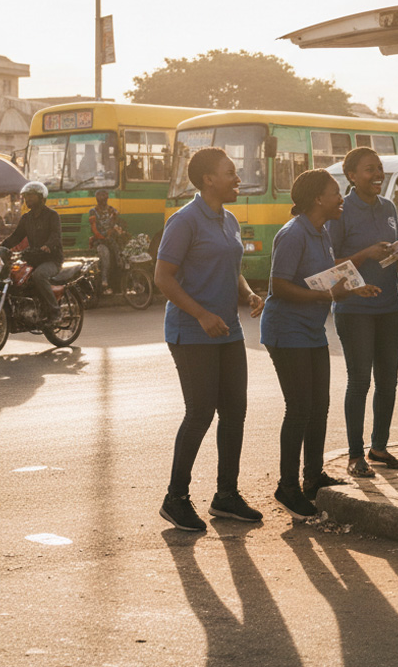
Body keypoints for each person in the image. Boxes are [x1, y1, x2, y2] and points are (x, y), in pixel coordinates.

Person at [155, 147, 266, 532]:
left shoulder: (229, 218)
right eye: (231, 172)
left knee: (234, 411)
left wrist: (249, 294)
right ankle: (176, 498)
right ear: (208, 180)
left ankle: (226, 496)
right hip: (192, 332)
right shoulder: (184, 221)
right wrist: (200, 315)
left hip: (228, 331)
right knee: (200, 412)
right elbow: (163, 277)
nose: (238, 179)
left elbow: (232, 270)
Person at [260, 169, 381, 520]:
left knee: (319, 407)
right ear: (317, 199)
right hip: (286, 331)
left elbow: (325, 274)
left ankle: (313, 478)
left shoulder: (321, 231)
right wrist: (329, 294)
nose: (341, 198)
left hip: (311, 331)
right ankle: (287, 487)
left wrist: (352, 287)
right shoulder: (292, 234)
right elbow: (279, 287)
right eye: (335, 193)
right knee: (299, 408)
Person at [327, 147, 398, 478]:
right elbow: (330, 267)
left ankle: (379, 447)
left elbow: (391, 252)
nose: (378, 174)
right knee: (360, 380)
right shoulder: (340, 212)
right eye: (369, 169)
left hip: (389, 304)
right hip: (355, 307)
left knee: (388, 379)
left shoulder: (388, 206)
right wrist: (366, 254)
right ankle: (355, 454)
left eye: (380, 168)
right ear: (351, 176)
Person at [1, 181, 64, 322]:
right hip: (33, 259)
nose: (27, 199)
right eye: (26, 196)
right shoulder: (26, 218)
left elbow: (56, 235)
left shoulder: (52, 215)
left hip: (51, 259)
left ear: (41, 197)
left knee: (39, 275)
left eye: (31, 196)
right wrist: (0, 247)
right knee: (14, 276)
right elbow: (16, 237)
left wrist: (48, 245)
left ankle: (55, 311)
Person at [88, 189, 123, 294]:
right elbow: (94, 228)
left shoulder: (111, 210)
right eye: (100, 198)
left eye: (104, 198)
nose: (103, 201)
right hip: (100, 241)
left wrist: (114, 229)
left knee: (120, 258)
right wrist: (101, 237)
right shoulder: (93, 211)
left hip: (111, 240)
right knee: (105, 257)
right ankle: (104, 281)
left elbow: (116, 220)